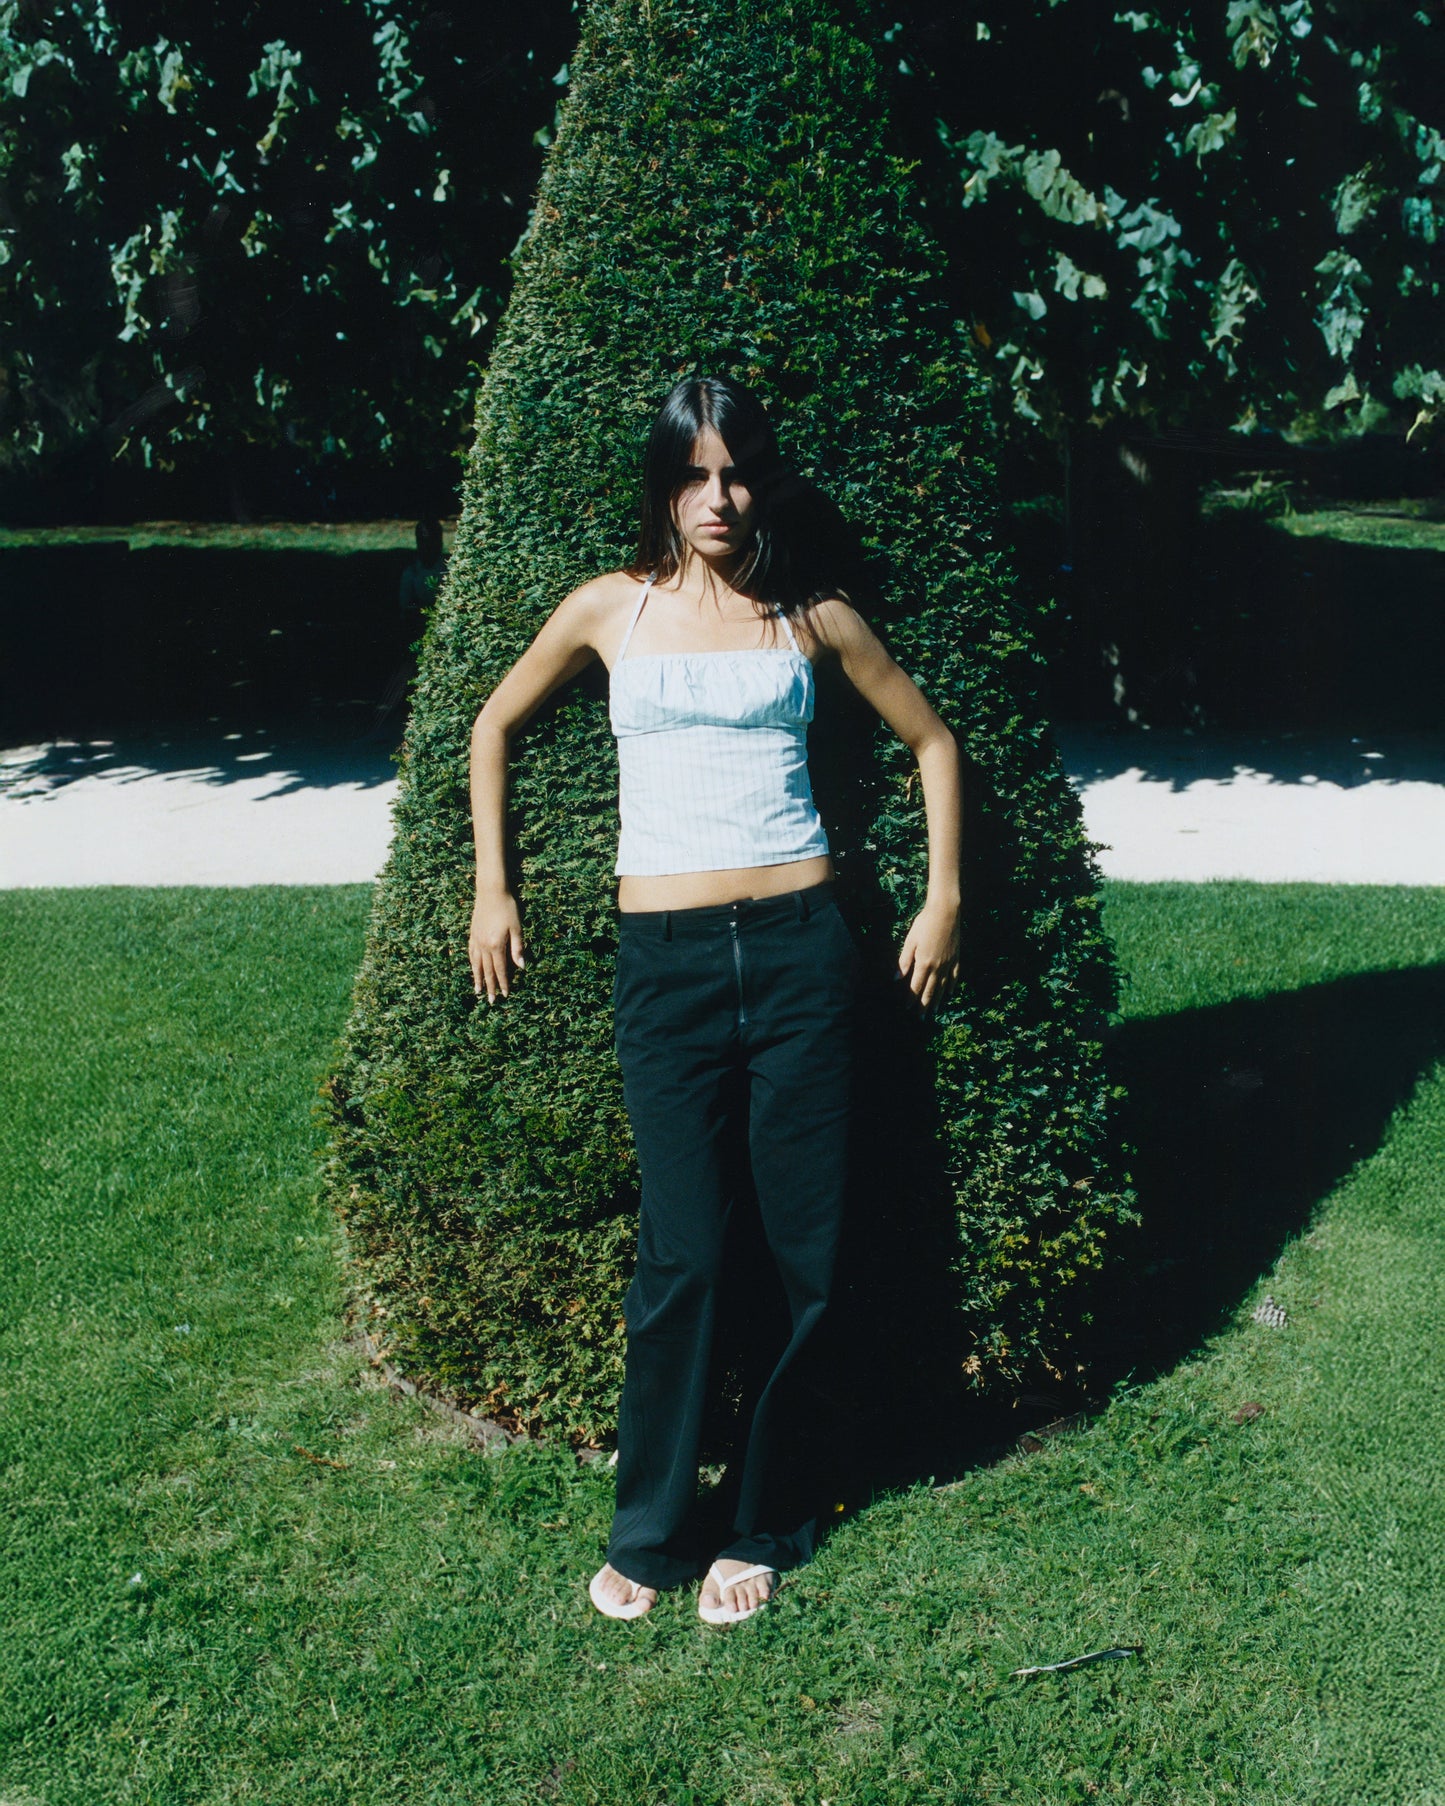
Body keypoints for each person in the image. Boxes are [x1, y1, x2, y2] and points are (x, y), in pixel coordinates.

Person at [467, 376, 962, 1624]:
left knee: (808, 1254)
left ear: (760, 482)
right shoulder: (606, 612)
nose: (717, 498)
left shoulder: (809, 619)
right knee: (683, 1256)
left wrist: (940, 900)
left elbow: (933, 743)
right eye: (692, 475)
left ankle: (766, 1519)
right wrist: (493, 888)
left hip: (803, 956)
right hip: (665, 965)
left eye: (735, 473)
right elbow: (492, 726)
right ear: (663, 487)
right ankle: (645, 1533)